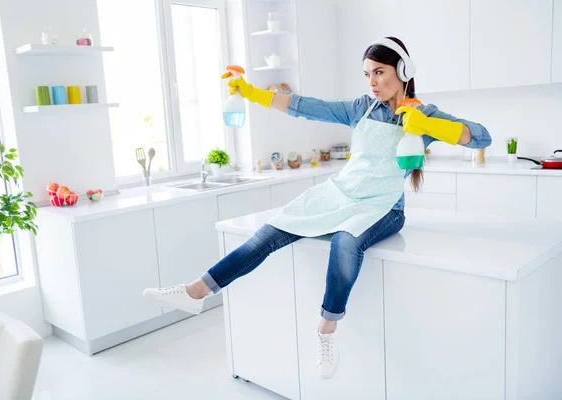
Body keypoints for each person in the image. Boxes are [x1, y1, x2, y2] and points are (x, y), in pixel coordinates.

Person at [143, 37, 492, 379]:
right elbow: (304, 106)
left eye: (379, 72)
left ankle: (326, 330)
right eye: (367, 74)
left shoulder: (424, 113)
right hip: (341, 193)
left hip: (384, 208)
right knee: (270, 231)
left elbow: (480, 136)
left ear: (402, 70)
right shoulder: (359, 108)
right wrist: (250, 93)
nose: (372, 82)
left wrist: (427, 125)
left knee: (346, 241)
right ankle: (196, 291)